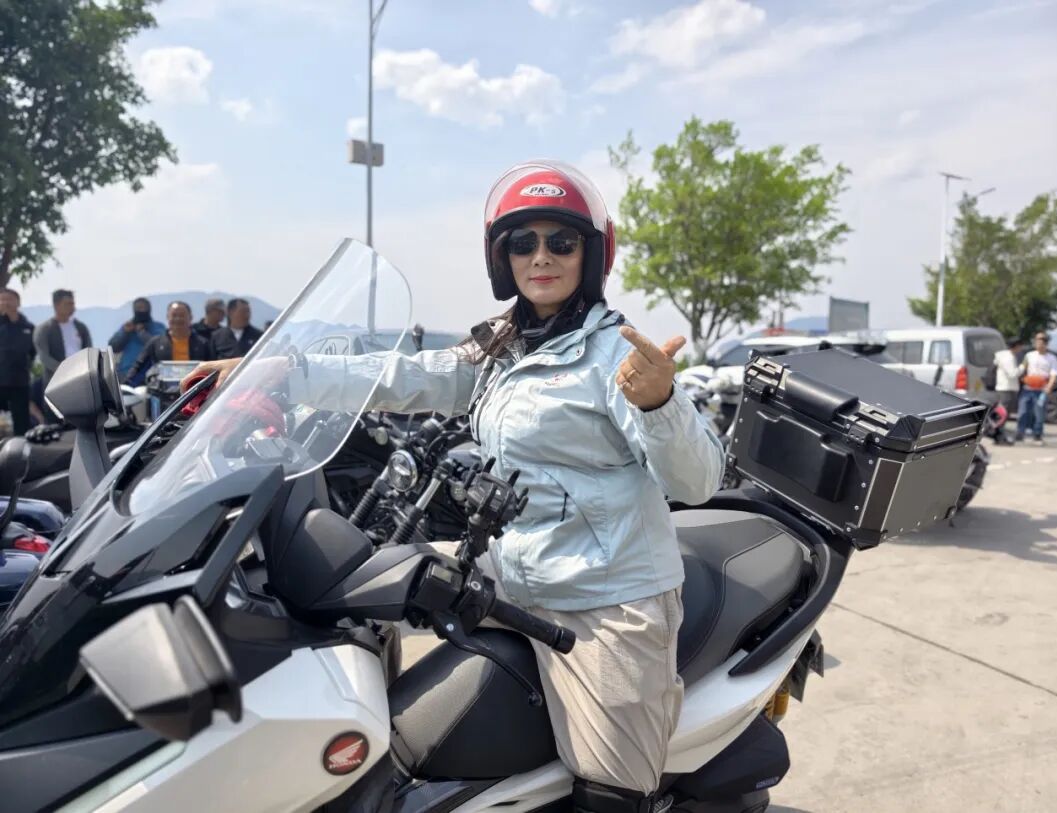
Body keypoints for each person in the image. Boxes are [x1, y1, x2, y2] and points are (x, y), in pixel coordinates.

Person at [185, 160, 725, 810]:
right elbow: (404, 374)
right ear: (503, 257)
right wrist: (277, 372)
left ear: (591, 252)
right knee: (360, 602)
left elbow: (697, 479)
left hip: (604, 602)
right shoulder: (504, 347)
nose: (541, 256)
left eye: (561, 241)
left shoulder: (615, 357)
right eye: (523, 242)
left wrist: (660, 401)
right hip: (514, 576)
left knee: (609, 792)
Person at [123, 301, 212, 385]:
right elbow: (138, 367)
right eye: (174, 315)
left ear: (190, 318)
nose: (178, 319)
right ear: (167, 317)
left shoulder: (203, 344)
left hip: (195, 390)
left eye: (182, 315)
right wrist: (126, 385)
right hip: (163, 392)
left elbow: (213, 367)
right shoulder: (155, 343)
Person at [33, 289, 93, 387]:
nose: (72, 307)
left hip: (80, 377)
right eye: (67, 304)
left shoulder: (81, 328)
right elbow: (44, 356)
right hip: (55, 381)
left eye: (72, 304)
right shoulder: (45, 329)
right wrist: (62, 369)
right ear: (56, 305)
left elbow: (89, 350)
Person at [0, 288, 36, 435]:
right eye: (2, 299)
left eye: (9, 299)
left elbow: (33, 353)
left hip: (19, 383)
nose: (5, 302)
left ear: (18, 302)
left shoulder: (28, 327)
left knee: (22, 424)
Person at [1015, 331, 1057, 446]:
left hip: (1041, 390)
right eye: (1036, 342)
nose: (1038, 344)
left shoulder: (1052, 358)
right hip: (1027, 389)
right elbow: (1022, 368)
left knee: (1039, 413)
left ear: (1046, 344)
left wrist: (1049, 387)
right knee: (1023, 411)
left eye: (1040, 342)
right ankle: (1020, 433)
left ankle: (1037, 435)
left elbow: (1054, 374)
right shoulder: (1029, 355)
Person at [109, 297, 166, 385]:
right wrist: (125, 332)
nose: (141, 311)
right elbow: (113, 346)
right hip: (127, 372)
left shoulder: (158, 327)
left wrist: (142, 333)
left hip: (152, 374)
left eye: (143, 308)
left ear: (148, 309)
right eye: (138, 308)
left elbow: (160, 346)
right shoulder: (127, 327)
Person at [991, 337, 1023, 444]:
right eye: (1020, 346)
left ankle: (999, 436)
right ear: (1016, 346)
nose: (1021, 348)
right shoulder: (1008, 358)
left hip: (1006, 388)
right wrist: (1022, 367)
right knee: (1003, 414)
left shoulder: (1006, 356)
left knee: (1003, 414)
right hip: (1006, 389)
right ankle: (998, 436)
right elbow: (1012, 374)